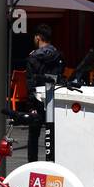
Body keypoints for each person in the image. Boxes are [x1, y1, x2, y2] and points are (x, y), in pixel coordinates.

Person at [24, 23, 63, 161]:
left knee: (33, 136)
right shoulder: (58, 55)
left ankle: (32, 164)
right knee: (53, 133)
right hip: (53, 99)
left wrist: (31, 105)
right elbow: (60, 78)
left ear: (38, 37)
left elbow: (30, 83)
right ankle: (52, 162)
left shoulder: (32, 58)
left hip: (37, 100)